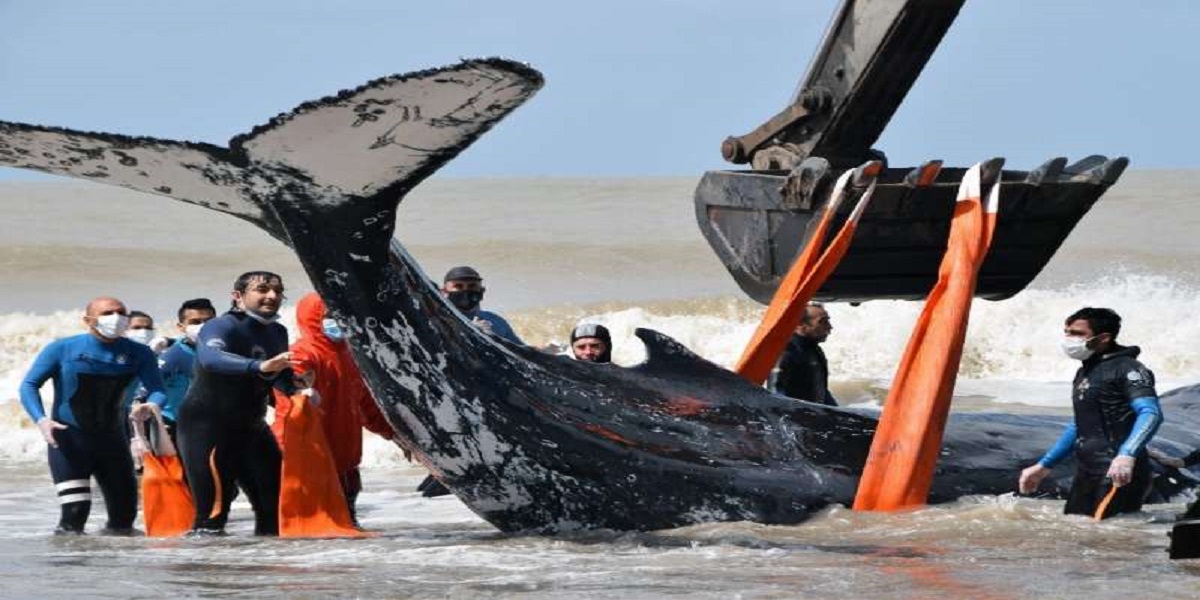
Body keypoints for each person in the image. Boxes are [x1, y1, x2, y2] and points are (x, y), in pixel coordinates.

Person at [18, 296, 168, 534]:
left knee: (124, 517)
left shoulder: (139, 353)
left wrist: (150, 406)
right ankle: (68, 567)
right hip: (69, 441)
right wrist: (41, 420)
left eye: (121, 312)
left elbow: (158, 390)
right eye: (108, 313)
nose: (116, 318)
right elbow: (29, 385)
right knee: (75, 516)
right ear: (89, 320)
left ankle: (110, 568)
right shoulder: (62, 348)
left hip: (113, 442)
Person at [176, 271, 309, 536]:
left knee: (273, 508)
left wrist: (297, 384)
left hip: (252, 427)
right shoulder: (221, 326)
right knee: (212, 515)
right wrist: (259, 365)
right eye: (262, 289)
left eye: (277, 290)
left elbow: (275, 376)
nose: (272, 296)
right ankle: (203, 575)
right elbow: (211, 359)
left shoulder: (277, 331)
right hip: (208, 429)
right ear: (238, 296)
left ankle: (257, 572)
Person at [1018, 307, 1163, 518]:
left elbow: (1150, 413)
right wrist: (1044, 465)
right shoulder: (1086, 370)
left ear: (1103, 338)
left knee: (1108, 540)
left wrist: (1126, 455)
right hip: (1087, 472)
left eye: (1077, 334)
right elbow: (1080, 424)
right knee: (1075, 534)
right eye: (1066, 332)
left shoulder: (1129, 369)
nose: (1068, 339)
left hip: (1118, 472)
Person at [282, 292, 397, 523]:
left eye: (341, 314)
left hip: (345, 459)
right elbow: (290, 383)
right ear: (312, 317)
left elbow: (366, 405)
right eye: (330, 315)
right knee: (313, 527)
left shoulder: (350, 356)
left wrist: (392, 434)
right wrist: (300, 389)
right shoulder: (303, 352)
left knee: (346, 524)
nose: (338, 320)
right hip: (311, 457)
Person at [155, 298, 218, 444]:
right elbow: (147, 389)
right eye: (195, 322)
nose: (203, 326)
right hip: (175, 426)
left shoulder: (223, 349)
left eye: (209, 321)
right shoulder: (173, 356)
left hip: (212, 424)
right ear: (181, 327)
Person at [773, 302, 837, 406]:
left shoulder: (815, 350)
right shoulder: (785, 352)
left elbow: (822, 391)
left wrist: (838, 413)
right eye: (822, 322)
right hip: (794, 417)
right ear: (800, 324)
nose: (830, 327)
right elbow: (775, 395)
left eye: (828, 321)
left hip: (816, 415)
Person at [441, 266, 524, 345]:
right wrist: (469, 331)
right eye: (458, 286)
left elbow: (523, 353)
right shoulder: (438, 320)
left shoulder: (495, 321)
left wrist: (492, 338)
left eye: (472, 286)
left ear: (482, 291)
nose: (465, 291)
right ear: (443, 292)